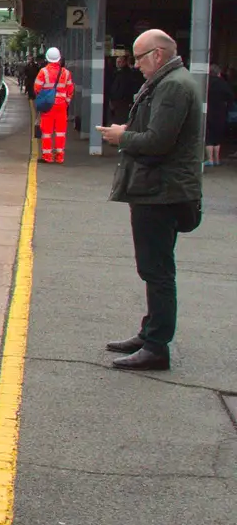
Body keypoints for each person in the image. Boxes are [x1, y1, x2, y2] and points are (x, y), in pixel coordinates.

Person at [98, 29, 203, 370]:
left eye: (140, 58)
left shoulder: (172, 86)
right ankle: (150, 333)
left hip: (161, 192)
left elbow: (158, 142)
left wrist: (121, 136)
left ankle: (157, 346)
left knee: (156, 270)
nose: (136, 65)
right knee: (154, 267)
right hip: (158, 189)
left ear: (157, 56)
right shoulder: (171, 81)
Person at [33, 47, 75, 163]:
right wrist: (66, 101)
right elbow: (70, 89)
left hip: (48, 105)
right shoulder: (66, 73)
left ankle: (47, 156)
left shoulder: (43, 71)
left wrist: (44, 96)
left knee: (46, 132)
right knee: (60, 132)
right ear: (59, 58)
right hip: (61, 105)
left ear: (47, 58)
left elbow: (37, 88)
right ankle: (60, 157)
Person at [206, 65, 233, 166]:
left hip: (208, 111)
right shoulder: (223, 83)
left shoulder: (206, 82)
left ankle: (210, 159)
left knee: (208, 136)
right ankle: (217, 159)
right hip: (221, 112)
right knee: (217, 137)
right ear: (219, 73)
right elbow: (230, 97)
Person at [108, 51, 143, 124]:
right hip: (116, 101)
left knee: (120, 121)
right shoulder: (116, 73)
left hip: (122, 102)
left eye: (120, 62)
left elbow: (125, 88)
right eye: (117, 62)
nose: (118, 63)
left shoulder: (127, 74)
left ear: (124, 62)